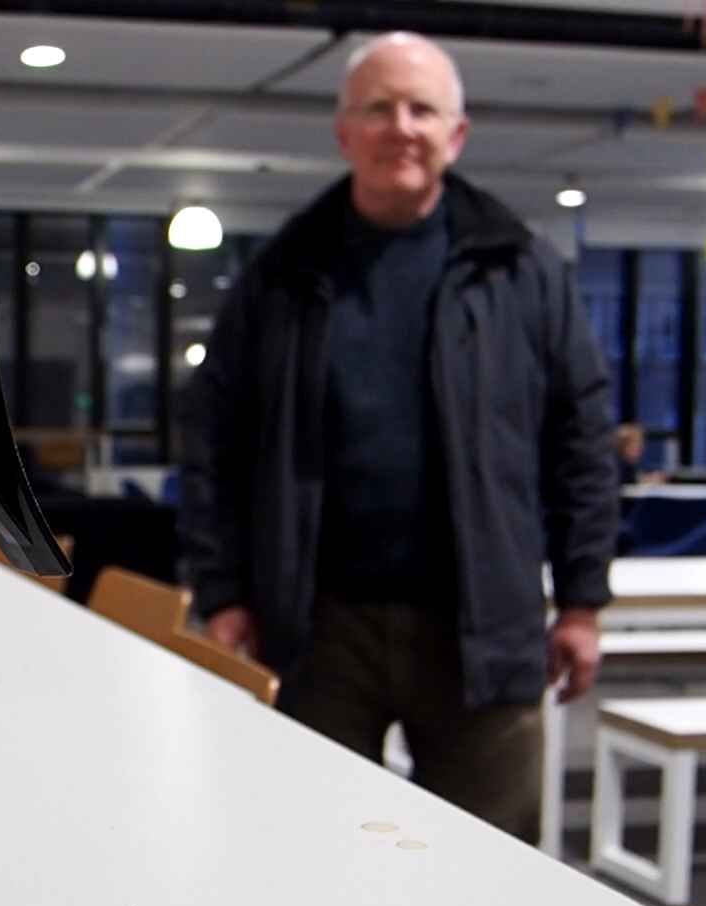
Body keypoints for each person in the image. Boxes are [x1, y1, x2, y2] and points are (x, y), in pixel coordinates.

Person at [177, 32, 618, 842]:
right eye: (378, 108)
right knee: (309, 849)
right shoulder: (280, 277)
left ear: (456, 135)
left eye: (423, 109)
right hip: (314, 626)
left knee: (494, 867)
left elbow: (582, 442)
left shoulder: (524, 272)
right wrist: (223, 591)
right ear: (345, 132)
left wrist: (583, 599)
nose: (401, 126)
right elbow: (212, 444)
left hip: (483, 623)